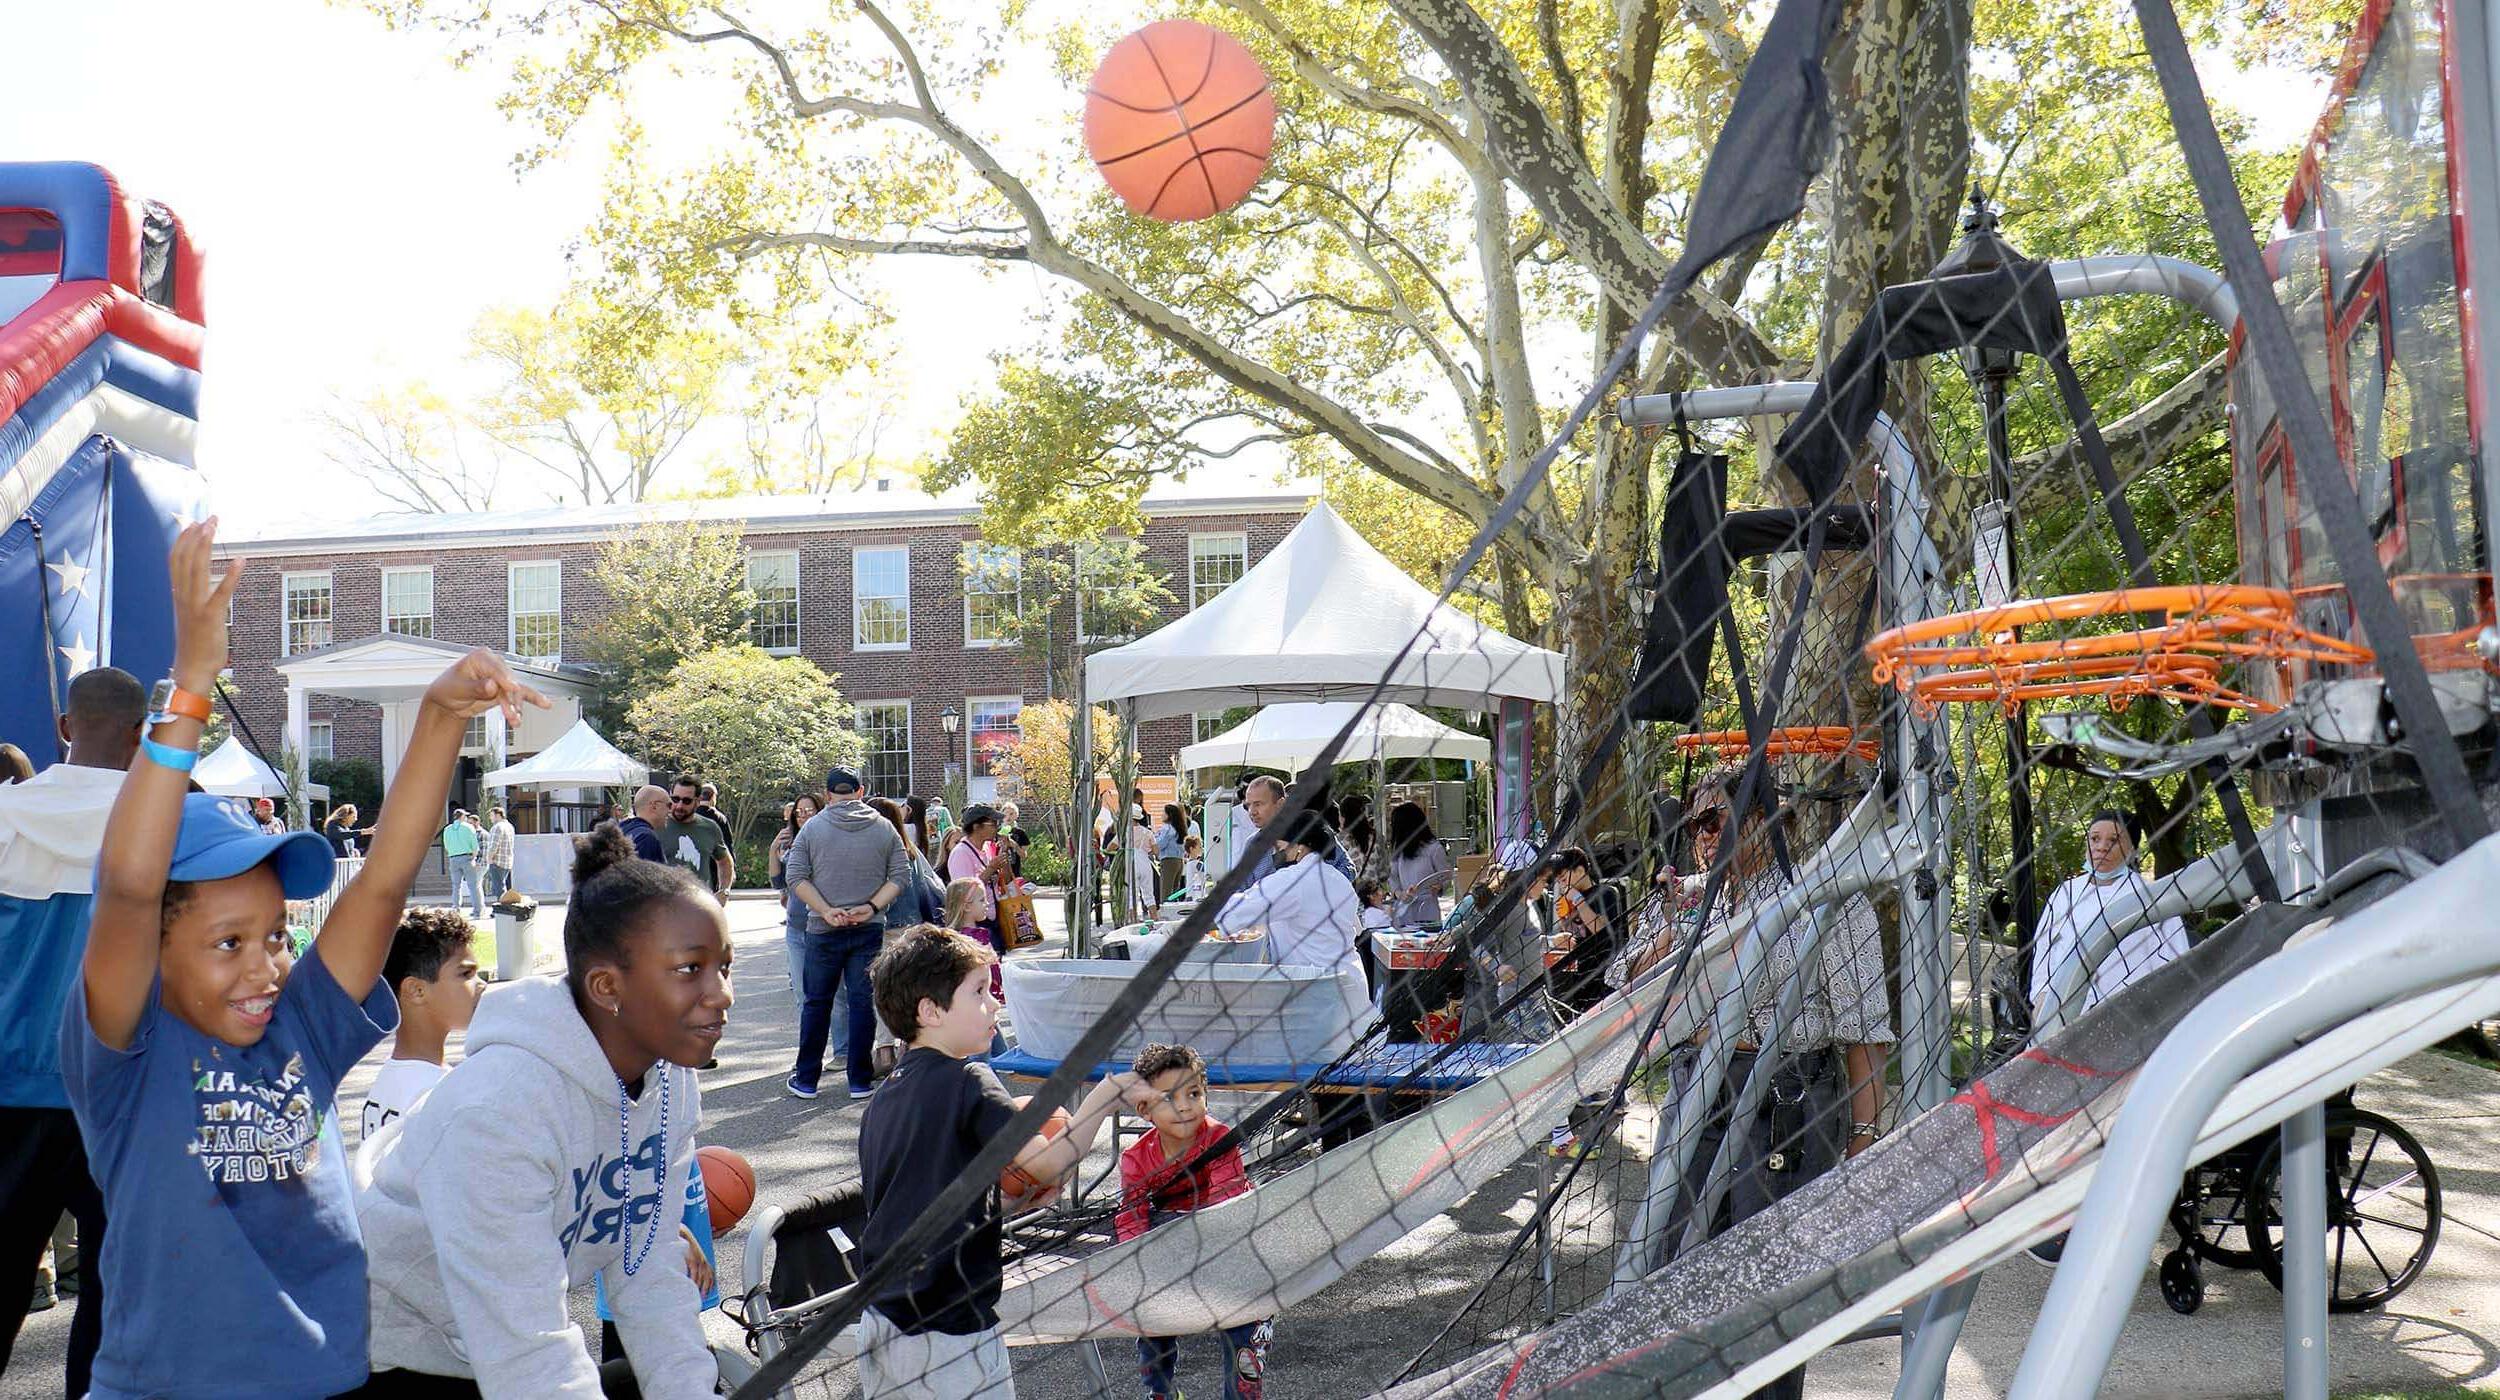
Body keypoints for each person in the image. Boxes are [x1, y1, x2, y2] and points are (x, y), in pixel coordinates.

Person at [61, 519, 549, 1400]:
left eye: (276, 935)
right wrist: (193, 689)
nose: (265, 965)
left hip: (328, 1380)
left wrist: (439, 714)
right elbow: (130, 885)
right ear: (153, 955)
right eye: (228, 943)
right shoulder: (127, 1055)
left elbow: (387, 878)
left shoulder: (302, 1030)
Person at [350, 823, 729, 1397]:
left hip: (499, 1350)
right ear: (606, 987)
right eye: (689, 969)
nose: (722, 993)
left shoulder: (671, 1081)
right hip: (398, 1356)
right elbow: (529, 1353)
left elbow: (647, 1274)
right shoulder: (498, 1110)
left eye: (724, 966)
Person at [1663, 775, 1894, 1400]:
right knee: (1673, 1270)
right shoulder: (1698, 902)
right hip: (1694, 1097)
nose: (1699, 839)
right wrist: (1668, 922)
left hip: (1784, 1102)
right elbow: (1629, 998)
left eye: (1713, 823)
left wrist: (1864, 1142)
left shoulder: (1828, 898)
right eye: (1692, 827)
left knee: (1765, 1289)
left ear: (1764, 823)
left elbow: (1864, 1034)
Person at [855, 928, 1137, 1398]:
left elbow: (921, 1200)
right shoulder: (969, 1079)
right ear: (930, 1011)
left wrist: (1002, 1202)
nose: (995, 1004)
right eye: (980, 992)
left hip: (880, 1320)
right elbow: (1046, 1165)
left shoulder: (882, 1101)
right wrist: (1104, 1100)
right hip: (948, 1329)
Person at [0, 665, 145, 1395]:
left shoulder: (3, 817)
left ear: (64, 728)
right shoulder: (167, 825)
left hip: (10, 1089)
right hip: (118, 1093)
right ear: (140, 734)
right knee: (117, 1296)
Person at [1118, 1043, 1270, 1400]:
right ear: (1145, 1110)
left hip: (1227, 1236)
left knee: (1246, 1318)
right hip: (1169, 1238)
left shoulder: (1220, 1140)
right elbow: (1131, 1217)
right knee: (1151, 1319)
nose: (1185, 1106)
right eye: (1169, 1098)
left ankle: (1241, 1391)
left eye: (1194, 1093)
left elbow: (1226, 1206)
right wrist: (1133, 1268)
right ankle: (1160, 1391)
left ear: (1206, 1095)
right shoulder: (1137, 1158)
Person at [783, 767, 909, 1100]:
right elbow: (900, 875)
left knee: (816, 1004)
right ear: (861, 790)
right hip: (868, 926)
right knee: (861, 1002)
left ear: (827, 795)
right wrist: (871, 906)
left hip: (824, 928)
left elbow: (795, 877)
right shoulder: (884, 828)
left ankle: (807, 1078)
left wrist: (825, 910)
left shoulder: (812, 828)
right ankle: (859, 1080)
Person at [1213, 809, 1367, 1039]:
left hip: (1318, 995)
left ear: (1299, 847)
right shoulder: (1338, 879)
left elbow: (1231, 914)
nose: (1277, 853)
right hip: (1351, 988)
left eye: (1279, 847)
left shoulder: (1293, 880)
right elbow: (1354, 928)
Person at [2029, 810, 2192, 1021]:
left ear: (2132, 850)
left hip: (2129, 1017)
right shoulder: (2065, 893)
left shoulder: (2153, 897)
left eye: (2114, 840)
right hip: (2060, 1014)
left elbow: (2175, 964)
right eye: (2095, 838)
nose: (2101, 847)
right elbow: (2043, 949)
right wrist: (2042, 996)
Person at [358, 908, 485, 1143]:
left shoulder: (388, 1080)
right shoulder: (438, 1091)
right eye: (466, 973)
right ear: (416, 990)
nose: (482, 984)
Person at [1540, 847, 1623, 1015]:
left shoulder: (1606, 893)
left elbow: (1600, 930)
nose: (1562, 884)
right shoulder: (1571, 899)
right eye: (1559, 881)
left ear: (1579, 870)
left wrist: (1578, 900)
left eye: (1564, 878)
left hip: (1604, 973)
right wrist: (1565, 918)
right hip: (1580, 975)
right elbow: (1577, 935)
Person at [772, 795, 822, 994]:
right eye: (799, 813)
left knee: (832, 997)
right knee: (802, 994)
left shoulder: (826, 841)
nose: (803, 817)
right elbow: (778, 881)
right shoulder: (790, 842)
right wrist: (773, 848)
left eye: (809, 811)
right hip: (795, 925)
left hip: (820, 924)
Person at [870, 796, 946, 927]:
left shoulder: (883, 853)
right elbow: (921, 884)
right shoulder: (909, 848)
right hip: (913, 920)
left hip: (891, 923)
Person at [1384, 801, 1454, 930]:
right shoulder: (1399, 851)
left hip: (1428, 911)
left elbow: (1447, 875)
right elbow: (1393, 878)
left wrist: (1439, 886)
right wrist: (1400, 894)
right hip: (1404, 912)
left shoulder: (1434, 848)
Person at [659, 776, 733, 895]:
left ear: (697, 801)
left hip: (700, 905)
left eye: (686, 801)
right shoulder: (656, 825)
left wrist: (724, 892)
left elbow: (725, 861)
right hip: (664, 906)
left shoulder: (709, 827)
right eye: (675, 799)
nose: (679, 806)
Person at [441, 808, 485, 917]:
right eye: (465, 816)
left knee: (456, 886)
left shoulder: (447, 829)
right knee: (473, 885)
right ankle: (477, 911)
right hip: (467, 857)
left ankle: (456, 909)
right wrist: (473, 858)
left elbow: (446, 846)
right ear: (462, 817)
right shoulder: (468, 827)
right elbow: (475, 846)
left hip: (453, 858)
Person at [620, 785, 669, 863]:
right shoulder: (646, 838)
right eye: (668, 805)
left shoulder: (622, 830)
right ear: (654, 806)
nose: (670, 810)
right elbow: (643, 874)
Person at [1153, 803, 1188, 904]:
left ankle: (1165, 914)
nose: (1161, 815)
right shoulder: (1179, 828)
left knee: (1166, 891)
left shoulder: (1166, 828)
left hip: (1168, 861)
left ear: (1169, 815)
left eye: (1163, 812)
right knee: (1174, 891)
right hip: (1179, 861)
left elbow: (1160, 844)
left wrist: (1153, 840)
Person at [481, 805, 516, 903]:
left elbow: (494, 845)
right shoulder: (509, 826)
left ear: (498, 815)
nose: (490, 818)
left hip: (497, 861)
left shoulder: (497, 827)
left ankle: (502, 909)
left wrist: (489, 858)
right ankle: (502, 908)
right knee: (501, 885)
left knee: (499, 888)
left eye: (492, 816)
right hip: (507, 860)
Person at [996, 802, 1031, 879]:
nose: (1008, 817)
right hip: (999, 872)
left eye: (1011, 814)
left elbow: (1024, 856)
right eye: (1005, 814)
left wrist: (1014, 845)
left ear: (1016, 815)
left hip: (1015, 872)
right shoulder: (996, 832)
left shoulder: (1020, 833)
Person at [1182, 834, 1208, 899]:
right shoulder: (1196, 864)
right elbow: (1208, 871)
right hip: (1196, 896)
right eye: (1200, 847)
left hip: (1190, 895)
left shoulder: (1188, 863)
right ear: (1192, 849)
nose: (1202, 849)